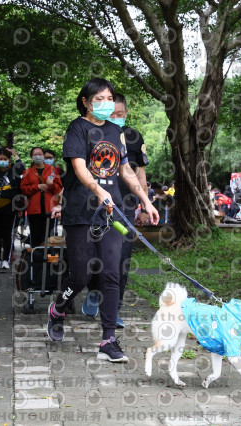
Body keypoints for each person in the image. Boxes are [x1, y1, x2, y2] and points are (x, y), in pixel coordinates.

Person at [46, 78, 159, 363]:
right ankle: (58, 308)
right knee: (81, 274)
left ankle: (108, 340)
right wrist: (98, 191)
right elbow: (79, 167)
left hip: (111, 212)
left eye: (109, 98)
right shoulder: (77, 128)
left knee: (111, 273)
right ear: (86, 102)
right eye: (99, 99)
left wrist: (146, 201)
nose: (106, 103)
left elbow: (126, 171)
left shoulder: (115, 132)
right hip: (81, 212)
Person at [81, 93, 150, 328]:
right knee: (95, 255)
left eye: (120, 114)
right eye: (112, 114)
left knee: (121, 259)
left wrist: (144, 206)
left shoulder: (134, 137)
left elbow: (140, 174)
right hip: (96, 205)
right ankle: (93, 290)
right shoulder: (91, 133)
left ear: (126, 113)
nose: (116, 117)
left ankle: (114, 308)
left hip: (125, 207)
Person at [21, 147, 63, 248]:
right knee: (35, 236)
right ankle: (36, 256)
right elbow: (23, 189)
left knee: (49, 237)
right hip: (34, 210)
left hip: (50, 209)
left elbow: (58, 189)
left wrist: (51, 184)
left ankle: (48, 256)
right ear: (31, 157)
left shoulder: (52, 170)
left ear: (43, 156)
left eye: (40, 154)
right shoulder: (27, 172)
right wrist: (37, 186)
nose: (38, 156)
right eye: (35, 154)